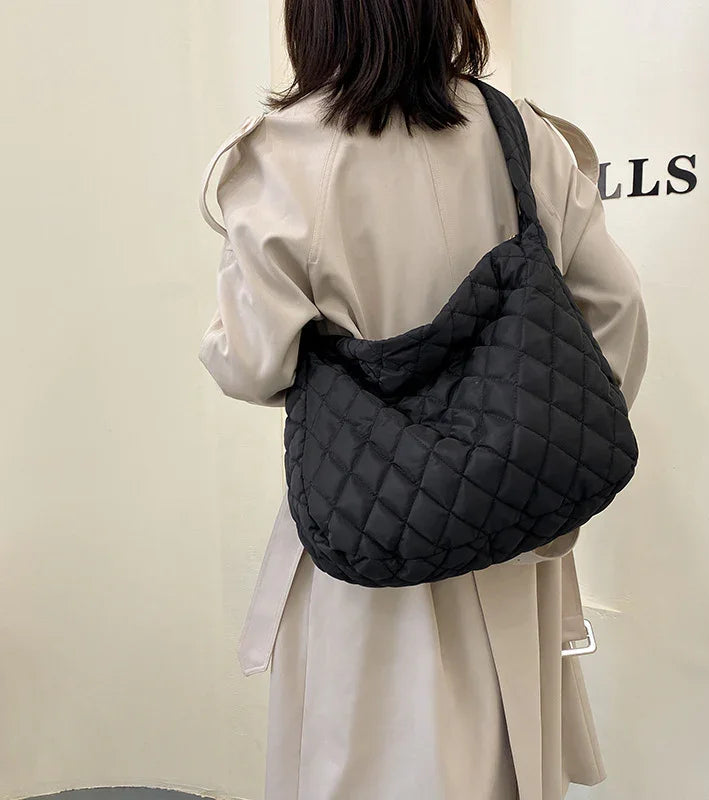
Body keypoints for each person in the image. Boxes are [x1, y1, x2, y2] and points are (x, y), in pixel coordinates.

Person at [197, 1, 649, 798]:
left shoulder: (281, 156)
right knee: (503, 760)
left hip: (367, 536)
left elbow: (251, 363)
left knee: (364, 763)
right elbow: (613, 310)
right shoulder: (520, 135)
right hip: (513, 537)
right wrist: (534, 446)